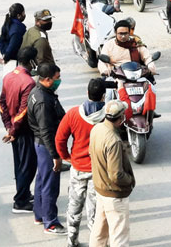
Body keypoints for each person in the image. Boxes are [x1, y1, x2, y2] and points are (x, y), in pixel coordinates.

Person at [56, 78, 106, 247]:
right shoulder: (108, 116)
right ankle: (96, 242)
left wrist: (67, 157)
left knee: (74, 207)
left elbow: (59, 139)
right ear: (103, 96)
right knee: (95, 211)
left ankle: (72, 240)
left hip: (77, 168)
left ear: (87, 93)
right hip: (98, 171)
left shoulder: (73, 114)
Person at [27, 62, 67, 235]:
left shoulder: (38, 92)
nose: (59, 81)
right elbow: (46, 131)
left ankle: (40, 214)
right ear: (48, 79)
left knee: (42, 180)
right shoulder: (43, 101)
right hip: (46, 145)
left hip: (40, 144)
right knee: (50, 184)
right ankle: (50, 222)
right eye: (57, 78)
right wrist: (56, 156)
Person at [89, 99, 135, 247]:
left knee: (99, 233)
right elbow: (116, 175)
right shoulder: (113, 141)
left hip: (101, 190)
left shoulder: (96, 129)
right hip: (114, 195)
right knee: (119, 237)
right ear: (121, 118)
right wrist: (130, 180)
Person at [0, 47, 39, 214]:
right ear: (31, 62)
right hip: (23, 130)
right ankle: (20, 201)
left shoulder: (8, 76)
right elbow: (23, 111)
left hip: (13, 129)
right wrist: (13, 130)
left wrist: (8, 126)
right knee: (28, 165)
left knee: (19, 164)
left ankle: (24, 193)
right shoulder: (29, 83)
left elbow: (1, 104)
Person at [0, 3, 27, 74]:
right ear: (19, 15)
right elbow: (13, 45)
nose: (24, 15)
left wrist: (3, 53)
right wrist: (6, 57)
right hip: (14, 61)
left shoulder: (7, 24)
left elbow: (0, 41)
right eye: (23, 13)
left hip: (8, 59)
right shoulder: (17, 29)